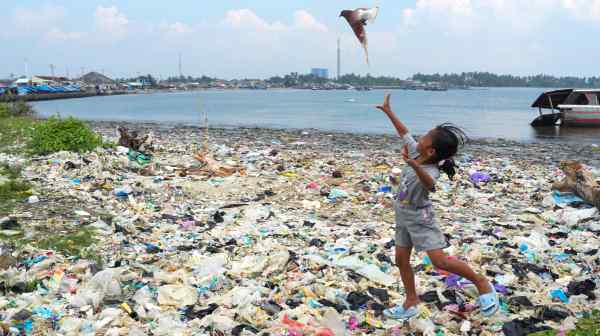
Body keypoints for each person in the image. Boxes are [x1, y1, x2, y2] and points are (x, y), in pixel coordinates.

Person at [375, 93, 499, 319]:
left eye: (424, 138)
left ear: (430, 151)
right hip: (402, 214)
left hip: (421, 218)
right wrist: (388, 111)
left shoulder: (430, 169)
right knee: (401, 260)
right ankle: (411, 301)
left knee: (440, 261)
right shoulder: (416, 152)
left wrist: (414, 166)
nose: (419, 139)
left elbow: (429, 185)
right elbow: (404, 132)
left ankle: (482, 283)